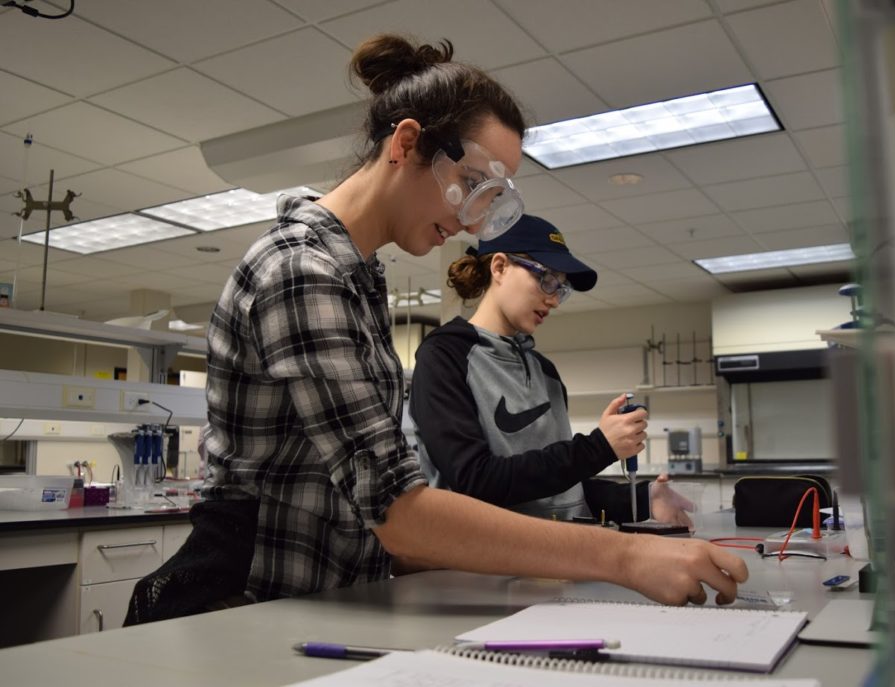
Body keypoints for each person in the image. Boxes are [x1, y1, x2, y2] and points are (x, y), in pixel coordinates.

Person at [125, 33, 746, 625]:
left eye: (496, 196)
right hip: (246, 603)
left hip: (329, 597)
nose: (479, 223)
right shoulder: (301, 270)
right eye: (474, 185)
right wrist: (627, 556)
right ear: (406, 144)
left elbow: (375, 504)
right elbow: (398, 510)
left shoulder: (359, 278)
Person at [410, 214, 695, 527]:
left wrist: (644, 498)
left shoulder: (546, 372)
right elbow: (476, 480)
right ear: (500, 267)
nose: (554, 300)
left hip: (555, 562)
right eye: (545, 279)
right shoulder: (444, 357)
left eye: (561, 288)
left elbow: (559, 489)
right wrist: (599, 447)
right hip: (479, 567)